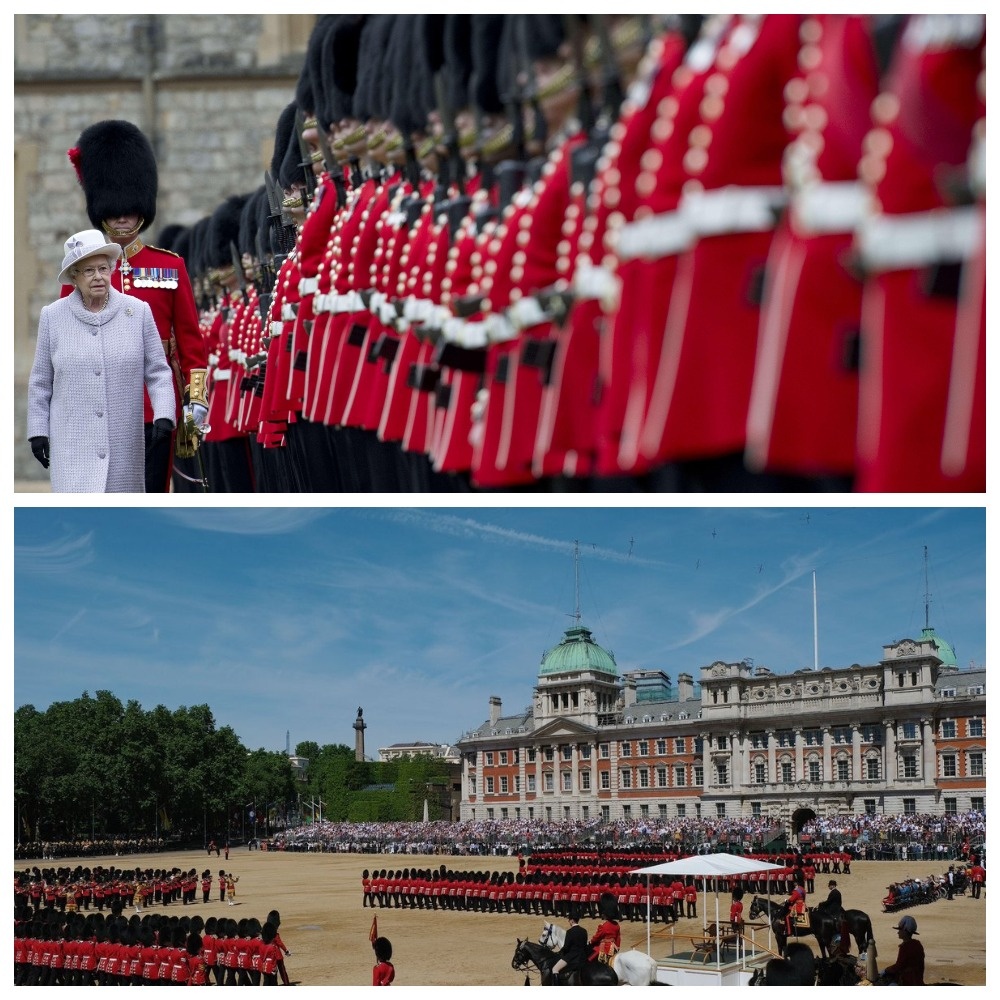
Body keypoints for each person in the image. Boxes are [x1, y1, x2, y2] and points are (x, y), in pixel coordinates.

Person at [68, 118, 209, 492]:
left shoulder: (170, 266)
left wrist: (196, 400)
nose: (122, 215)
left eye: (129, 207)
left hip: (153, 404)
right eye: (114, 209)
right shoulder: (83, 269)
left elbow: (192, 342)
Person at [27, 229, 176, 491]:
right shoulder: (53, 317)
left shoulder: (137, 311)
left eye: (104, 268)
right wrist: (38, 430)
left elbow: (158, 372)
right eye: (88, 271)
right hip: (72, 444)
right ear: (74, 276)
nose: (98, 277)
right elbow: (41, 382)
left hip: (124, 445)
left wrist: (164, 414)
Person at [551, 904, 589, 985]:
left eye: (569, 920)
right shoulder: (584, 931)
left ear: (572, 920)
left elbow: (566, 947)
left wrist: (559, 953)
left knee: (555, 969)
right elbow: (585, 945)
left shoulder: (570, 932)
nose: (568, 922)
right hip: (582, 956)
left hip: (572, 957)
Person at [882, 915, 925, 986]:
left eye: (900, 930)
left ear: (905, 931)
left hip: (908, 981)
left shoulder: (905, 947)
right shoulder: (917, 944)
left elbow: (898, 966)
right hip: (918, 980)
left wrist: (886, 970)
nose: (898, 932)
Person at [588, 893, 621, 963]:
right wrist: (617, 947)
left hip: (604, 948)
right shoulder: (616, 924)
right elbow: (618, 937)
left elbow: (597, 937)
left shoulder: (603, 925)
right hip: (614, 948)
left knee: (589, 959)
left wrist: (591, 942)